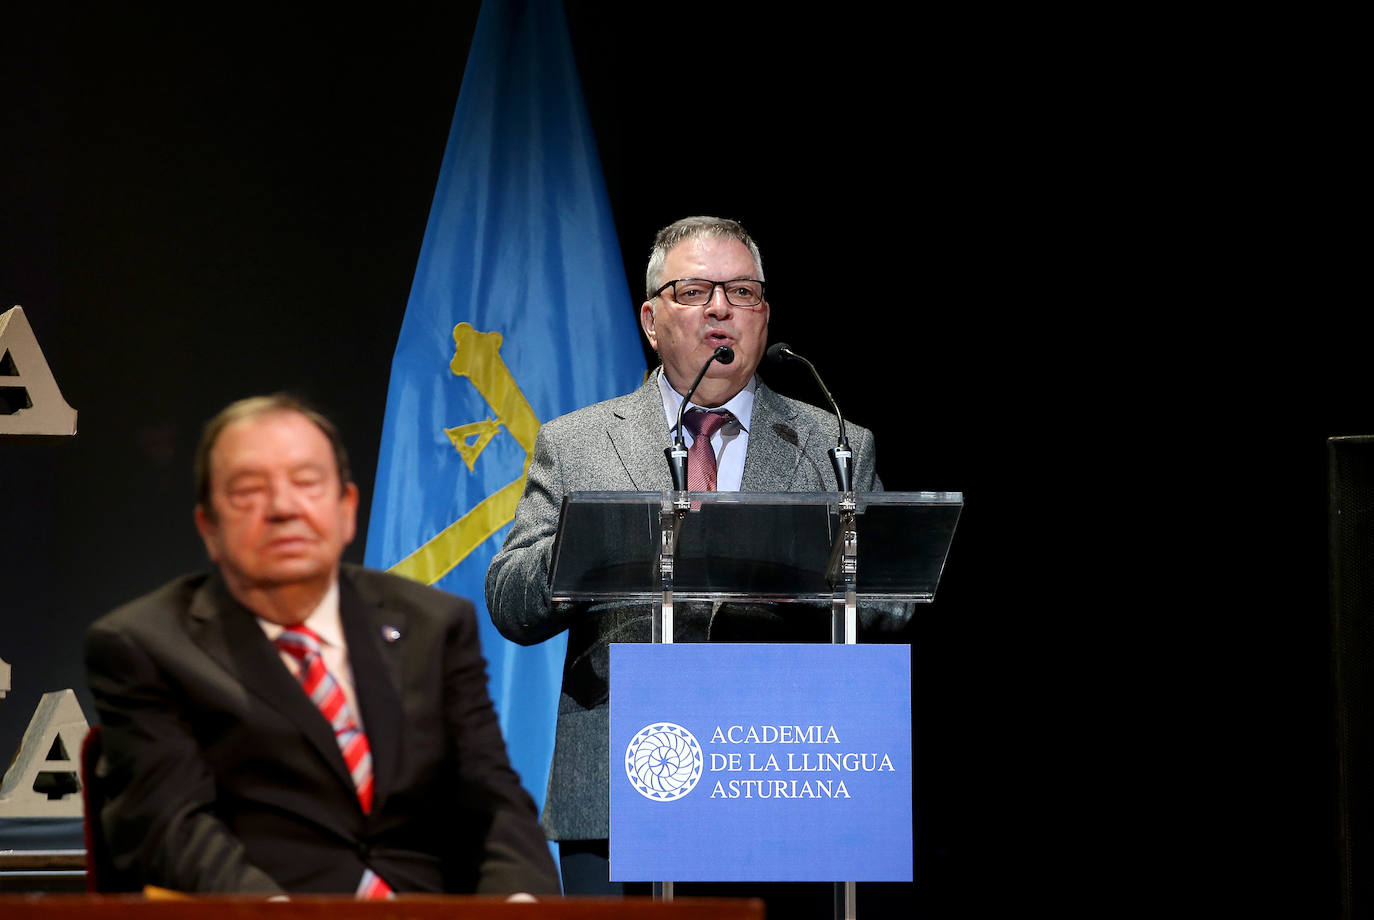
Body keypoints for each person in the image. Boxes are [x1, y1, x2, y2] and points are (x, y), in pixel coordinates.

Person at [486, 216, 907, 895]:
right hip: (622, 785)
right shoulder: (580, 443)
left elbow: (889, 600)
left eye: (742, 292)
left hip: (780, 778)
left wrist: (801, 578)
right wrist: (586, 550)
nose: (721, 308)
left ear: (763, 316)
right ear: (651, 320)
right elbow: (510, 601)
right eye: (695, 291)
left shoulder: (833, 441)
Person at [85, 395, 559, 898]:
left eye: (307, 483)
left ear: (346, 510)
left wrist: (519, 905)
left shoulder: (432, 624)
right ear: (209, 528)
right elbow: (172, 828)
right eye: (248, 491)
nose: (283, 508)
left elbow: (491, 799)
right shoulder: (147, 645)